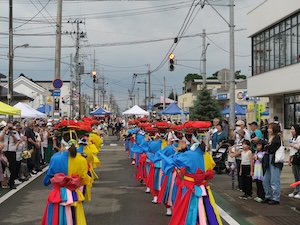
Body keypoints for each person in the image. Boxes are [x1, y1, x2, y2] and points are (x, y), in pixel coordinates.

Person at [262, 123, 283, 205]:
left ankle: (276, 198)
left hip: (275, 161)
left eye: (270, 128)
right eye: (268, 128)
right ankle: (268, 196)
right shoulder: (271, 138)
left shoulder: (277, 137)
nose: (268, 130)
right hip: (269, 159)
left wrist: (266, 147)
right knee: (266, 179)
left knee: (274, 180)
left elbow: (271, 147)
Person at [0, 121, 20, 189]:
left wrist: (12, 134)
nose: (9, 128)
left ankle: (11, 182)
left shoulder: (15, 132)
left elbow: (17, 141)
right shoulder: (3, 132)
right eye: (8, 127)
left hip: (12, 151)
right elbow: (0, 139)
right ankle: (1, 183)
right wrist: (4, 132)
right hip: (4, 151)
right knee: (2, 168)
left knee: (12, 168)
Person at [288, 125, 300, 198]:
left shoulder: (299, 138)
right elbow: (291, 151)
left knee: (299, 175)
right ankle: (296, 190)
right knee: (296, 176)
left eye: (293, 129)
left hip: (298, 158)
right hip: (294, 158)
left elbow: (298, 147)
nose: (292, 130)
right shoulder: (291, 138)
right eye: (291, 129)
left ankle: (299, 191)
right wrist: (289, 160)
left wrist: (293, 145)